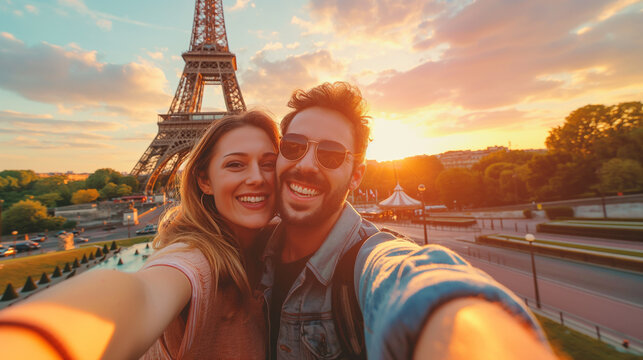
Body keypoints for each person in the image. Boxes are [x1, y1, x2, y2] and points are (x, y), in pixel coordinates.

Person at [260, 82, 556, 359]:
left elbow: (412, 278)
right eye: (295, 146)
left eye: (332, 154)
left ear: (356, 176)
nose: (307, 164)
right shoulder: (252, 248)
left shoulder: (370, 258)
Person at [0, 111, 280, 359]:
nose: (257, 177)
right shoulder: (196, 258)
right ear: (205, 180)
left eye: (268, 163)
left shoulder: (273, 248)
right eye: (235, 164)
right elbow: (142, 294)